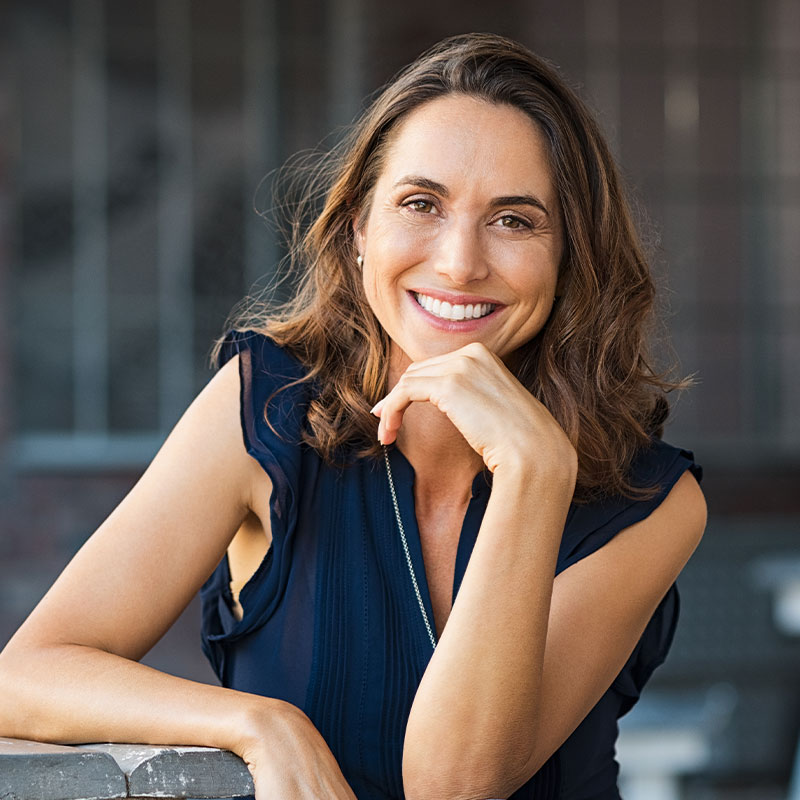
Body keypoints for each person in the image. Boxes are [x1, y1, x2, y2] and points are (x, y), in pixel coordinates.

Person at [0, 32, 706, 800]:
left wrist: (535, 475)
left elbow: (454, 785)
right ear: (358, 232)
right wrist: (259, 724)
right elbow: (25, 675)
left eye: (514, 220)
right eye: (420, 204)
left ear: (570, 257)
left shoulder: (653, 500)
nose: (461, 261)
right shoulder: (264, 405)